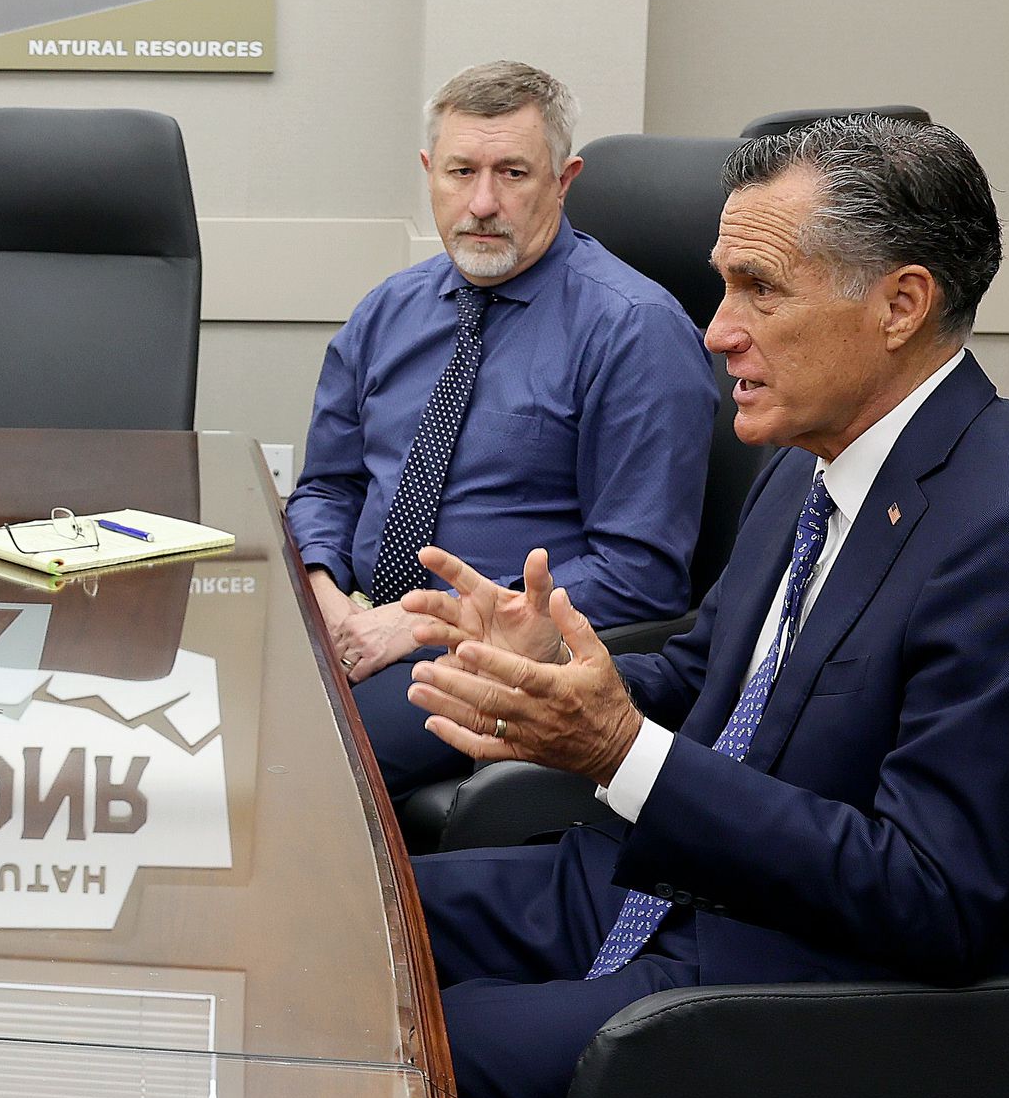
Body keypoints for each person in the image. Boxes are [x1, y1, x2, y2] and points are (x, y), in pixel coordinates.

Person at [393, 116, 1009, 1098]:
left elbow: (933, 895)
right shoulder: (808, 456)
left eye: (761, 288)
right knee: (343, 931)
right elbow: (714, 678)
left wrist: (622, 751)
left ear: (902, 303)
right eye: (723, 283)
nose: (716, 330)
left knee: (400, 1046)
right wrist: (564, 673)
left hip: (808, 982)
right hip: (667, 888)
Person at [288, 61, 715, 796]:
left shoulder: (634, 332)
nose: (482, 202)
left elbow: (641, 573)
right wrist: (325, 596)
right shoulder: (387, 311)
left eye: (512, 173)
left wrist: (426, 623)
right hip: (349, 628)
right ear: (430, 172)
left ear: (564, 179)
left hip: (494, 659)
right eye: (461, 171)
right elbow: (328, 486)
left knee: (298, 773)